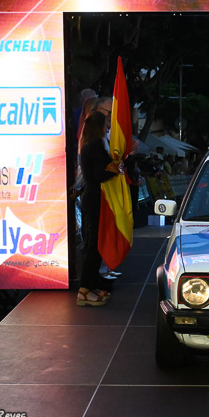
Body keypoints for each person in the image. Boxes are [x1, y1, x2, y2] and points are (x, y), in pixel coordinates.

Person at [78, 111, 121, 306]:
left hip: (92, 197)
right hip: (95, 198)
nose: (107, 128)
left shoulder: (87, 145)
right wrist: (117, 166)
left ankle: (92, 285)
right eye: (105, 124)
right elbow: (100, 174)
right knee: (93, 244)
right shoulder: (95, 145)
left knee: (93, 243)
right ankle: (85, 289)